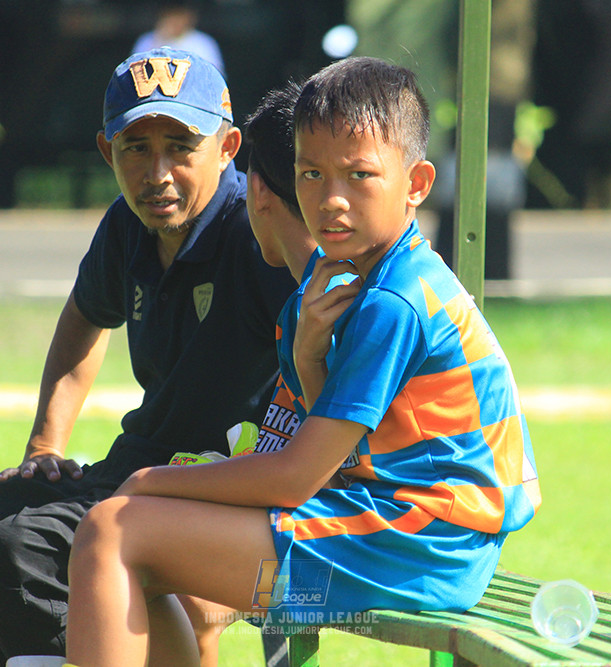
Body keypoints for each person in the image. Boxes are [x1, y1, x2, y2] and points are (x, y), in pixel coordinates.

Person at [64, 56, 541, 666]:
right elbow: (337, 455)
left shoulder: (395, 298)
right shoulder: (340, 284)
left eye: (359, 175)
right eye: (311, 174)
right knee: (148, 553)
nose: (331, 200)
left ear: (417, 184)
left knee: (112, 531)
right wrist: (310, 359)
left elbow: (296, 476)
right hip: (396, 545)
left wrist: (150, 480)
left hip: (416, 555)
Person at [0, 47, 297, 666]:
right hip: (134, 468)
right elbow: (85, 316)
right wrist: (43, 448)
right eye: (137, 148)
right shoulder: (127, 227)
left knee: (20, 552)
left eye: (180, 147)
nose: (157, 172)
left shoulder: (256, 230)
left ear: (228, 146)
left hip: (213, 486)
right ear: (108, 152)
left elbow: (332, 345)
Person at [132, 2, 225, 77]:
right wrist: (160, 39)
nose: (175, 20)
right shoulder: (147, 40)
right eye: (170, 15)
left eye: (179, 15)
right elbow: (137, 75)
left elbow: (214, 78)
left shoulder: (203, 42)